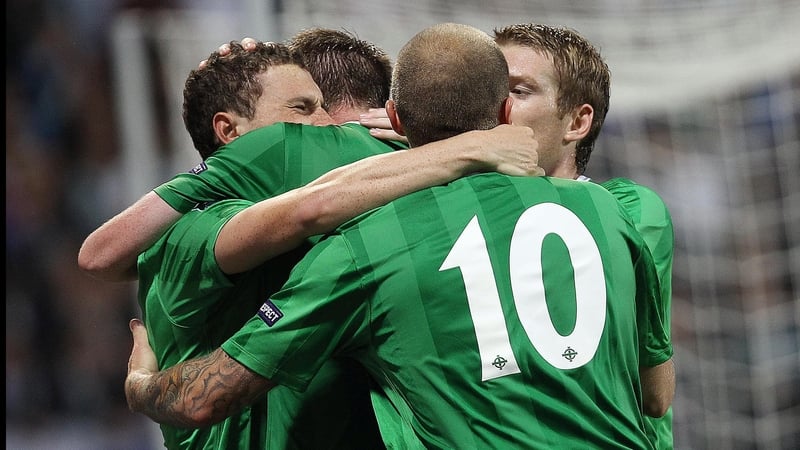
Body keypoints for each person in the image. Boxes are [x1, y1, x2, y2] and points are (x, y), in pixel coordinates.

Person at [125, 22, 674, 449]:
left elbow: (202, 397)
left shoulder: (365, 242)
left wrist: (142, 385)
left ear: (394, 118)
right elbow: (656, 395)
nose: (324, 134)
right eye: (303, 117)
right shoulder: (611, 212)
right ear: (504, 112)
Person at [87, 33, 543, 449]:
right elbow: (310, 206)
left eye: (323, 106)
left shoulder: (325, 236)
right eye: (302, 110)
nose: (325, 126)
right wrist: (462, 147)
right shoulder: (192, 232)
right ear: (230, 133)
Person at [491, 23, 676, 449]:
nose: (495, 105)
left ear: (577, 121)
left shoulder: (630, 210)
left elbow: (655, 396)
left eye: (518, 90)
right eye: (488, 88)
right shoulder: (461, 204)